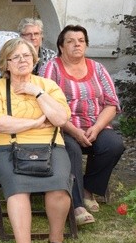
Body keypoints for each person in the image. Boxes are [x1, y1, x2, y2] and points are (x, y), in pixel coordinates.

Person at [0, 38, 72, 243]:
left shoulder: (47, 85)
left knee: (59, 187)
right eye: (16, 57)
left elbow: (61, 119)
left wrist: (38, 93)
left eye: (27, 56)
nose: (23, 60)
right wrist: (36, 123)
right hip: (6, 147)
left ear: (34, 60)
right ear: (6, 63)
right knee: (17, 188)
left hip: (51, 146)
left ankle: (56, 241)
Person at [39, 25, 125, 225]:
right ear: (61, 46)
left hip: (95, 124)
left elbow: (112, 103)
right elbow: (46, 104)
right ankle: (77, 205)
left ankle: (89, 189)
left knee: (114, 145)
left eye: (81, 41)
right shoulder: (51, 68)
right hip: (62, 127)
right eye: (71, 41)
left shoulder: (98, 68)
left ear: (86, 45)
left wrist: (96, 128)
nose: (77, 44)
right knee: (72, 149)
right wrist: (75, 131)